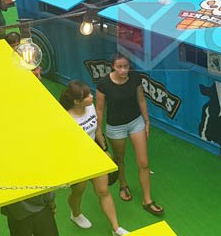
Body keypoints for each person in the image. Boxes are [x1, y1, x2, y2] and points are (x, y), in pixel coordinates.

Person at [96, 54, 164, 216]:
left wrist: (146, 121)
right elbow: (99, 109)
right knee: (120, 159)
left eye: (126, 66)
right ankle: (123, 184)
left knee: (144, 163)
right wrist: (99, 132)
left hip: (136, 122)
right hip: (115, 127)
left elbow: (141, 100)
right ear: (113, 66)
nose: (123, 70)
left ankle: (147, 200)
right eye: (119, 67)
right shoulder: (104, 84)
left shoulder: (135, 78)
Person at [59, 80, 129, 236]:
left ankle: (116, 229)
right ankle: (75, 214)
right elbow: (64, 146)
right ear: (77, 101)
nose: (92, 96)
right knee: (78, 191)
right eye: (87, 96)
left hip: (94, 154)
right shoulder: (66, 118)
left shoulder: (90, 107)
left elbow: (96, 129)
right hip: (77, 160)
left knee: (103, 191)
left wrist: (104, 150)